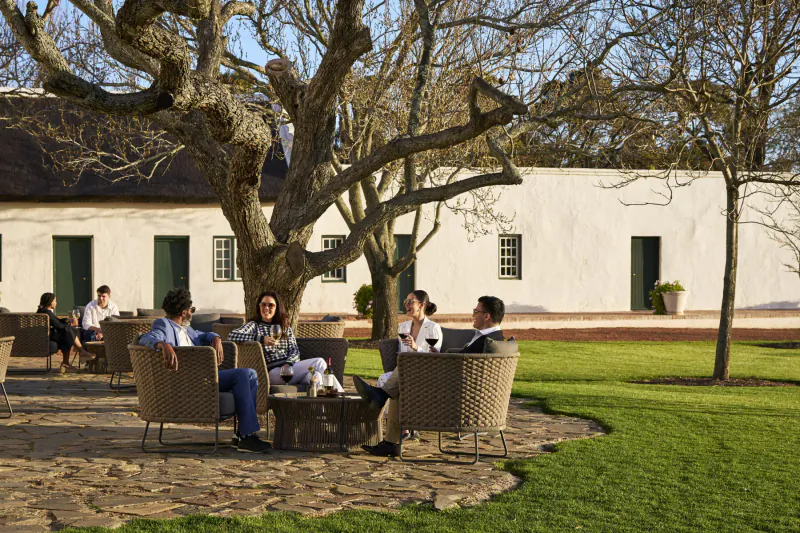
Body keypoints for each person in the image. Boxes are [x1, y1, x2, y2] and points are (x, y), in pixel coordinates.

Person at [354, 295, 505, 457]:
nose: (473, 314)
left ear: (486, 316)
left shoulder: (485, 341)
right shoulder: (496, 340)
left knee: (407, 363)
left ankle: (381, 398)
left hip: (456, 399)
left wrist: (437, 360)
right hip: (463, 391)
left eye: (476, 311)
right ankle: (390, 440)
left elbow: (461, 365)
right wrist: (439, 356)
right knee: (400, 385)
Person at [138, 287, 271, 453]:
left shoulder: (186, 328)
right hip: (185, 382)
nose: (192, 314)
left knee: (250, 374)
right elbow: (145, 338)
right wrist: (163, 345)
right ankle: (246, 436)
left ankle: (243, 435)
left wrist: (215, 337)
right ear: (184, 312)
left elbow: (202, 334)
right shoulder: (164, 325)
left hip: (201, 379)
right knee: (243, 374)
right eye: (191, 310)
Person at [228, 291, 344, 392]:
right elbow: (232, 335)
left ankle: (322, 415)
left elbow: (294, 350)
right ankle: (340, 398)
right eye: (263, 304)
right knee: (319, 362)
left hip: (290, 369)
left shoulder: (284, 327)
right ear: (259, 306)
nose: (266, 308)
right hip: (272, 374)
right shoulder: (254, 326)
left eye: (271, 305)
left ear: (276, 308)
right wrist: (262, 339)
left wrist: (288, 364)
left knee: (316, 376)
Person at [36, 293, 94, 373]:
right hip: (48, 335)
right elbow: (58, 325)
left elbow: (56, 321)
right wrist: (69, 325)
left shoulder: (45, 311)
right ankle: (80, 353)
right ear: (50, 302)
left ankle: (68, 362)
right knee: (69, 331)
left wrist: (67, 320)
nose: (56, 303)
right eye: (55, 301)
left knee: (69, 331)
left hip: (49, 334)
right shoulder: (47, 312)